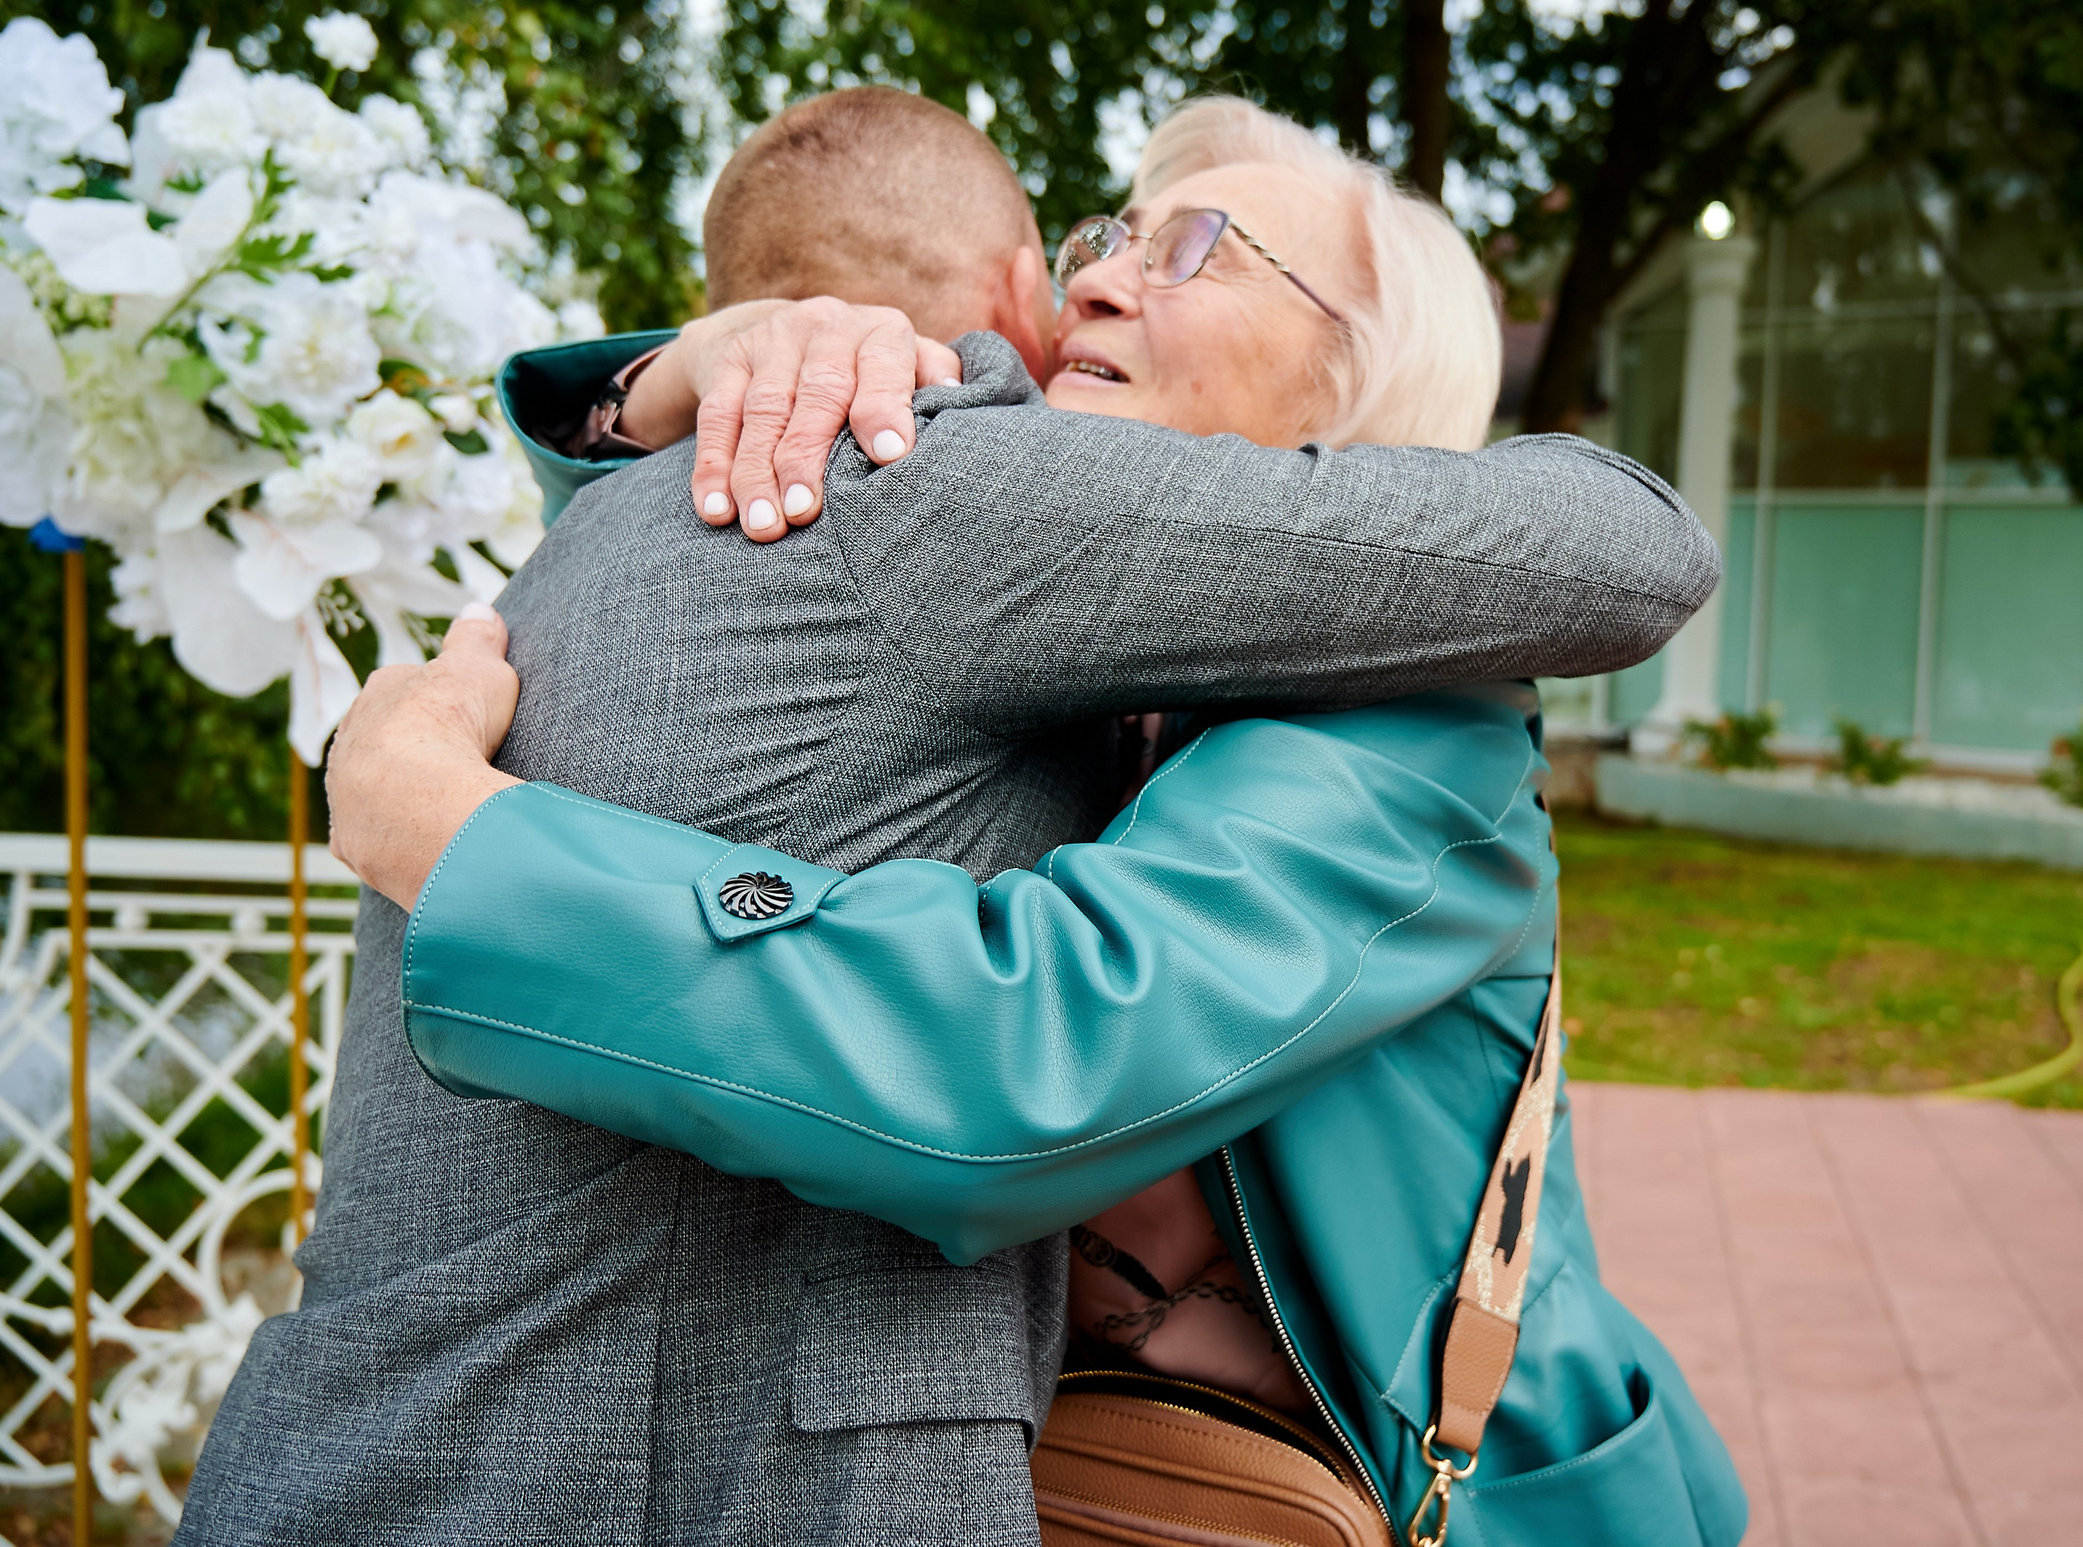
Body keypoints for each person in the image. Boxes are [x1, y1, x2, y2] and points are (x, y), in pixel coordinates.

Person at [183, 90, 1737, 1546]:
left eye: (1196, 250)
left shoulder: (1410, 735)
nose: (1099, 280)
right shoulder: (1075, 635)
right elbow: (715, 659)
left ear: (1355, 394)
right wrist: (698, 369)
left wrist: (468, 847)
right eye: (1109, 236)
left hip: (1408, 1502)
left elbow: (1020, 1064)